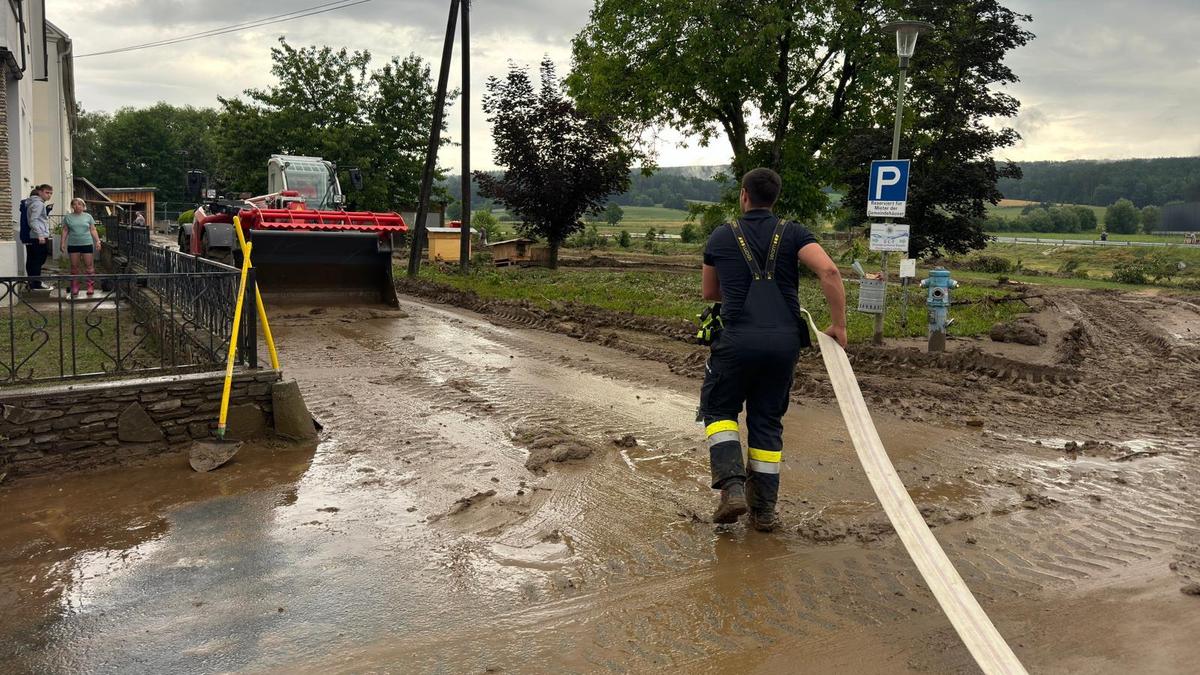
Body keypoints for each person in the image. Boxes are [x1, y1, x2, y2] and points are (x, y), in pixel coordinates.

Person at [699, 168, 847, 531]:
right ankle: (763, 512)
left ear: (744, 195)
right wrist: (839, 325)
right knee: (766, 421)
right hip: (783, 345)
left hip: (736, 341)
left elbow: (709, 293)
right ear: (775, 198)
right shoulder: (794, 232)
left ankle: (732, 488)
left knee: (719, 409)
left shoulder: (721, 235)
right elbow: (829, 271)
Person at [59, 198, 102, 298]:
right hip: (73, 244)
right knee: (74, 267)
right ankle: (75, 286)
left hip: (86, 243)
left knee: (89, 266)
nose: (77, 206)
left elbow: (93, 229)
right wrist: (62, 243)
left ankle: (90, 286)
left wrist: (98, 241)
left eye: (79, 204)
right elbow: (65, 230)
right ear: (72, 206)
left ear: (83, 206)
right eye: (74, 204)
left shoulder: (88, 216)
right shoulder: (68, 217)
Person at [20, 184, 54, 290]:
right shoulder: (38, 204)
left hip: (33, 235)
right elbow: (33, 220)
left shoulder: (31, 202)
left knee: (32, 259)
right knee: (38, 259)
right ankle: (36, 283)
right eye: (47, 192)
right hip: (37, 236)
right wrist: (40, 235)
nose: (49, 195)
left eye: (51, 193)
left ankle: (32, 282)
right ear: (40, 192)